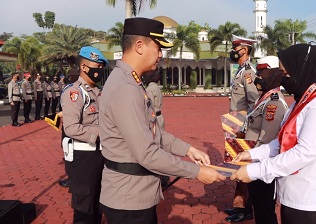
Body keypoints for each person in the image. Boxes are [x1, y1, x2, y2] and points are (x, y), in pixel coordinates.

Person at [99, 17, 225, 224]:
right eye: (158, 47)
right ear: (139, 46)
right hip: (129, 200)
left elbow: (154, 133)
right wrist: (196, 172)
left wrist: (188, 150)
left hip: (135, 194)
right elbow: (147, 153)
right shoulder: (126, 89)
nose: (160, 54)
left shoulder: (132, 83)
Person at [231, 44, 316, 224]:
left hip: (314, 202)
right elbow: (282, 141)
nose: (284, 79)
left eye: (286, 74)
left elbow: (305, 152)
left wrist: (255, 171)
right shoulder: (302, 101)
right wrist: (252, 154)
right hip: (295, 197)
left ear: (303, 69)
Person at [61, 46, 108, 224]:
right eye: (97, 66)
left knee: (98, 204)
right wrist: (103, 134)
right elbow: (71, 128)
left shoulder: (97, 91)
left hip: (100, 154)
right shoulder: (74, 92)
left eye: (102, 67)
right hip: (83, 157)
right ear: (84, 67)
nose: (100, 71)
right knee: (84, 208)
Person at [244, 56, 288, 224]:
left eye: (263, 71)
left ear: (275, 73)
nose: (258, 76)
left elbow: (267, 141)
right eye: (259, 71)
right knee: (259, 208)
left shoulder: (274, 103)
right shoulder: (264, 99)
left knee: (264, 211)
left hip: (262, 164)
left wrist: (250, 157)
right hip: (254, 160)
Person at [224, 34, 258, 223]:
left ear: (244, 49)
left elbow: (254, 103)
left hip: (242, 126)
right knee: (235, 165)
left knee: (243, 166)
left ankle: (246, 209)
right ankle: (239, 205)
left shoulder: (248, 73)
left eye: (235, 47)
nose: (233, 51)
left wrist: (244, 127)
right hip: (235, 123)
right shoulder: (240, 70)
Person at [142, 70, 170, 187]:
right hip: (160, 117)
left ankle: (162, 174)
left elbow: (149, 106)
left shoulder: (148, 89)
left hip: (154, 118)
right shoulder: (157, 88)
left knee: (156, 144)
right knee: (162, 143)